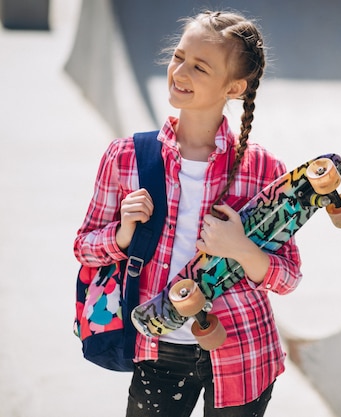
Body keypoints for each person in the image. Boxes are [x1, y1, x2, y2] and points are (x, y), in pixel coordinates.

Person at [74, 10, 302, 417]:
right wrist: (123, 233)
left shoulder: (264, 169)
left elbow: (287, 277)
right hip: (159, 352)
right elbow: (84, 248)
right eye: (179, 57)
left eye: (200, 66)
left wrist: (241, 248)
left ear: (234, 87)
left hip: (244, 353)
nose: (181, 71)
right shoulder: (127, 156)